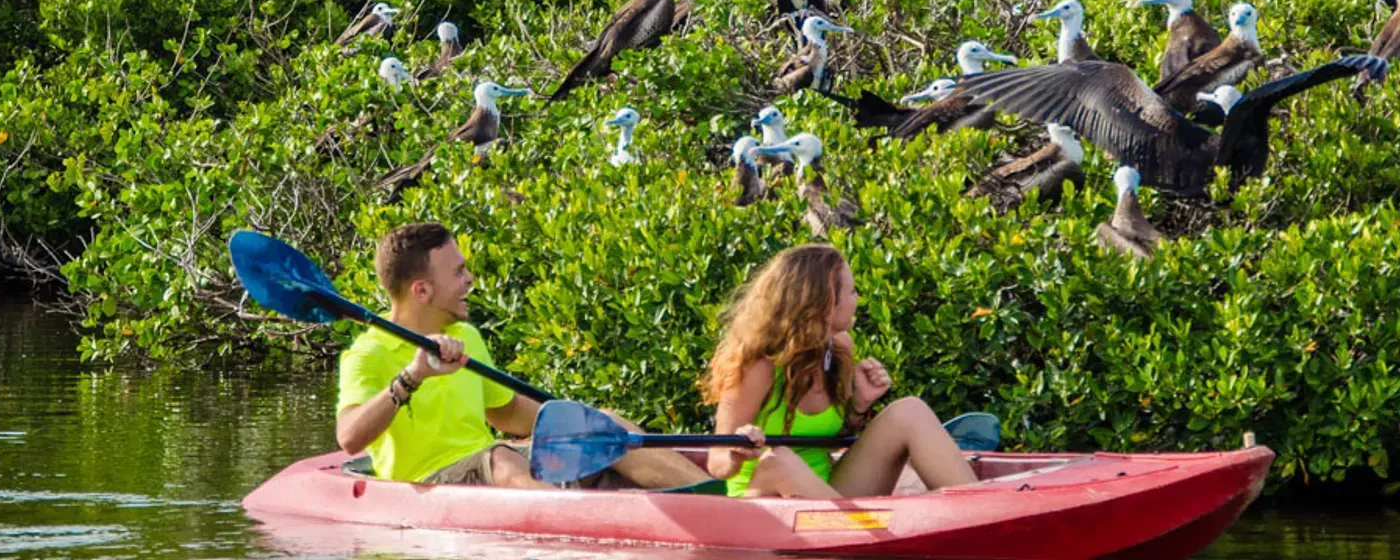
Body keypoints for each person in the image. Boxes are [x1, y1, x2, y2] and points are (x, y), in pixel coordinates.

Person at [336, 221, 706, 489]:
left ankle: (722, 504)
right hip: (429, 481)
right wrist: (411, 377)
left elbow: (506, 411)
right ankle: (573, 527)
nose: (470, 280)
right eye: (459, 271)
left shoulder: (465, 336)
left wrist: (578, 421)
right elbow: (349, 438)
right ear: (422, 291)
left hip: (491, 468)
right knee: (498, 458)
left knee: (603, 426)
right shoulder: (367, 354)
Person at [700, 242, 980, 498]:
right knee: (779, 460)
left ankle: (979, 513)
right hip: (761, 503)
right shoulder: (758, 366)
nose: (857, 299)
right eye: (851, 291)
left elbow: (833, 443)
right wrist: (736, 453)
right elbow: (717, 461)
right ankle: (867, 532)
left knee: (910, 410)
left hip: (825, 495)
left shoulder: (840, 349)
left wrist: (859, 405)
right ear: (822, 303)